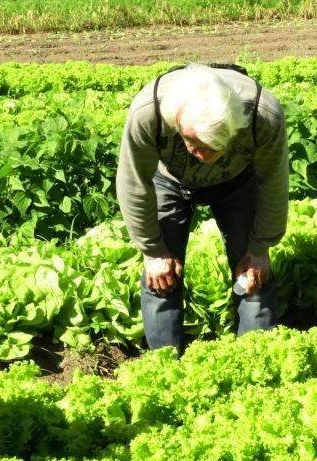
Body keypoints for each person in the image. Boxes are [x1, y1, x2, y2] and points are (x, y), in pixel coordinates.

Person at [116, 63, 289, 354]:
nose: (201, 155)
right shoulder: (148, 113)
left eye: (212, 146)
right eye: (192, 142)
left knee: (252, 274)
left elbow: (273, 181)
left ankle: (256, 361)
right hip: (168, 179)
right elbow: (133, 181)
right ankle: (164, 367)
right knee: (161, 276)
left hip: (239, 179)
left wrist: (260, 248)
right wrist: (153, 251)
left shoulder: (263, 115)